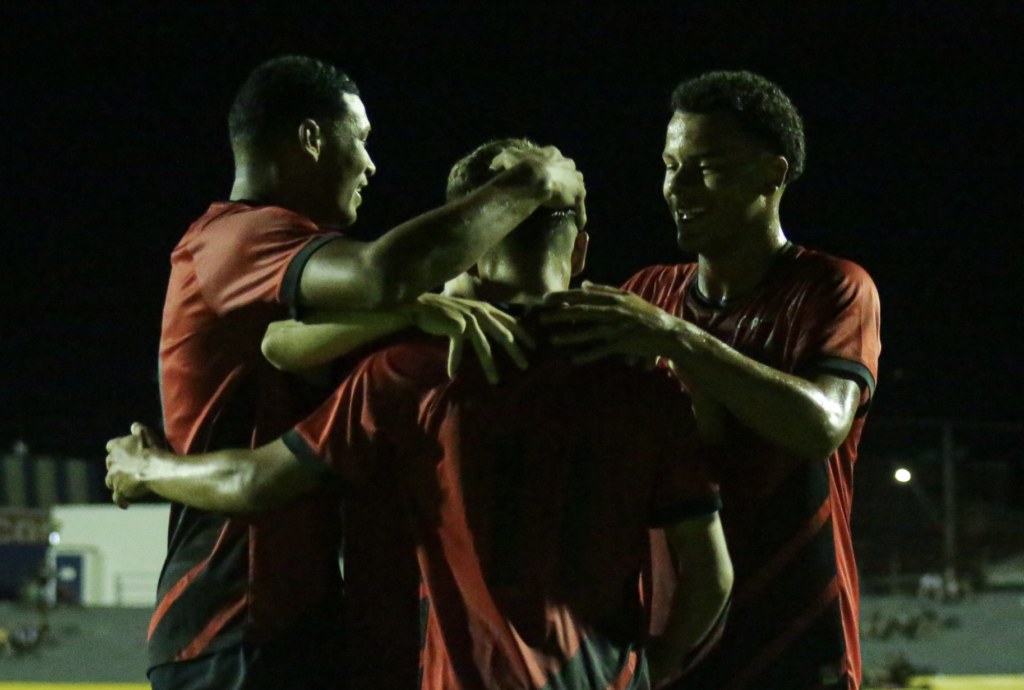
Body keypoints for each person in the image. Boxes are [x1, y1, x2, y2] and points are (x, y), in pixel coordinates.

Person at [108, 138, 734, 690]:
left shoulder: (409, 373)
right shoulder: (647, 384)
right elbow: (711, 578)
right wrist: (654, 667)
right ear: (579, 253)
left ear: (467, 252)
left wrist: (146, 468)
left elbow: (259, 465)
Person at [146, 55, 585, 690]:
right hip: (233, 622)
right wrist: (532, 182)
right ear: (310, 138)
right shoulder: (236, 237)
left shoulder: (309, 288)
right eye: (362, 140)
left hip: (302, 620)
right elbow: (383, 274)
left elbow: (285, 344)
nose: (372, 165)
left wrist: (415, 306)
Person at [542, 71, 881, 689]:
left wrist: (677, 338)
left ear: (773, 174)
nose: (678, 187)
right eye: (671, 166)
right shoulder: (647, 291)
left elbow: (821, 425)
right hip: (670, 637)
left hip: (795, 633)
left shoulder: (832, 286)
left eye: (707, 167)